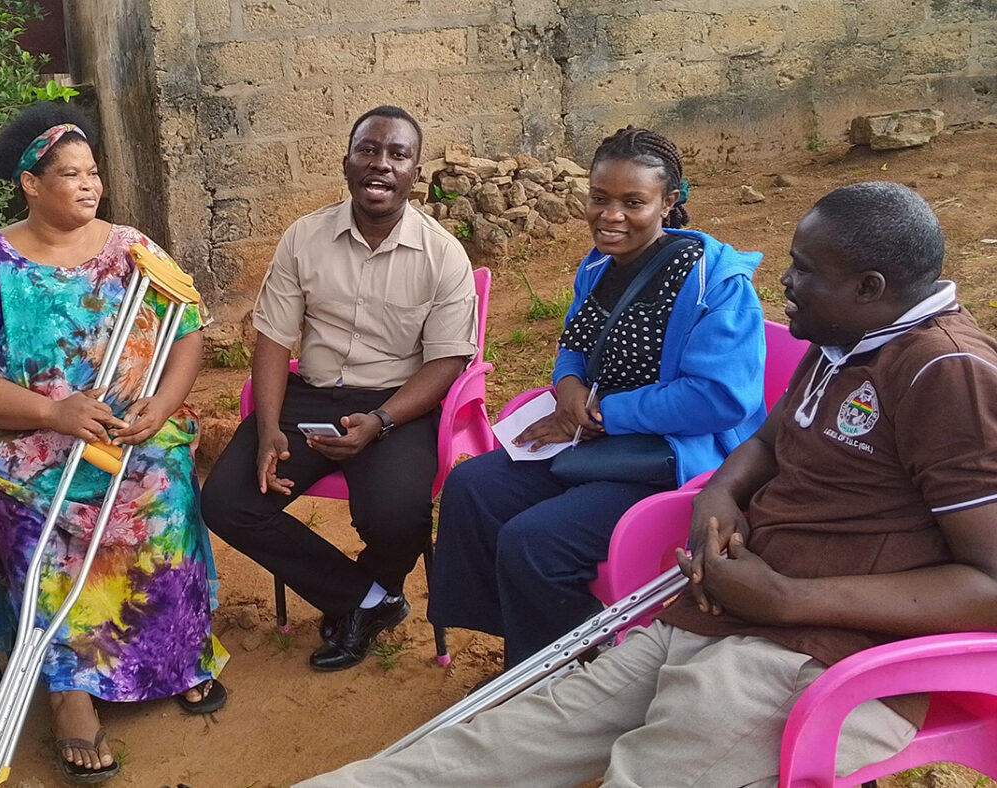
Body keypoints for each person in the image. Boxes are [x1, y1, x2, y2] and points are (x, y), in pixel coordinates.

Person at [298, 181, 997, 787]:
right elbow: (765, 439)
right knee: (494, 745)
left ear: (870, 288)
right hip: (722, 611)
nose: (784, 281)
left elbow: (988, 587)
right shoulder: (846, 338)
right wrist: (722, 497)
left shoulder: (946, 374)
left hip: (812, 659)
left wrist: (788, 600)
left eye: (805, 270)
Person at [0, 103, 227, 784]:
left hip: (131, 430)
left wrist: (162, 405)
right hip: (32, 439)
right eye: (70, 174)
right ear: (31, 183)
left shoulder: (135, 251)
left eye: (93, 173)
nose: (90, 186)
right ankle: (70, 693)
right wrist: (53, 415)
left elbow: (187, 332)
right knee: (43, 514)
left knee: (159, 483)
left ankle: (177, 654)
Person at [427, 127, 768, 667]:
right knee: (472, 487)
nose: (611, 216)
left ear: (669, 202)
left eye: (634, 202)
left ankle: (572, 676)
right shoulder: (598, 266)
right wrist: (567, 389)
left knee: (534, 540)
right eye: (600, 198)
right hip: (589, 436)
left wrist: (605, 413)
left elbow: (720, 398)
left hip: (667, 457)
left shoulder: (715, 284)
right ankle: (530, 656)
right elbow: (575, 345)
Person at [201, 105, 478, 672]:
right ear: (346, 163)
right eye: (368, 150)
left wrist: (382, 422)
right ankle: (365, 599)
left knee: (397, 516)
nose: (381, 164)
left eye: (398, 155)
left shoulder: (443, 254)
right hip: (312, 397)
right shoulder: (304, 238)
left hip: (397, 404)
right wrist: (270, 427)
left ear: (415, 172)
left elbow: (446, 360)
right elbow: (275, 340)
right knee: (227, 503)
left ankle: (368, 593)